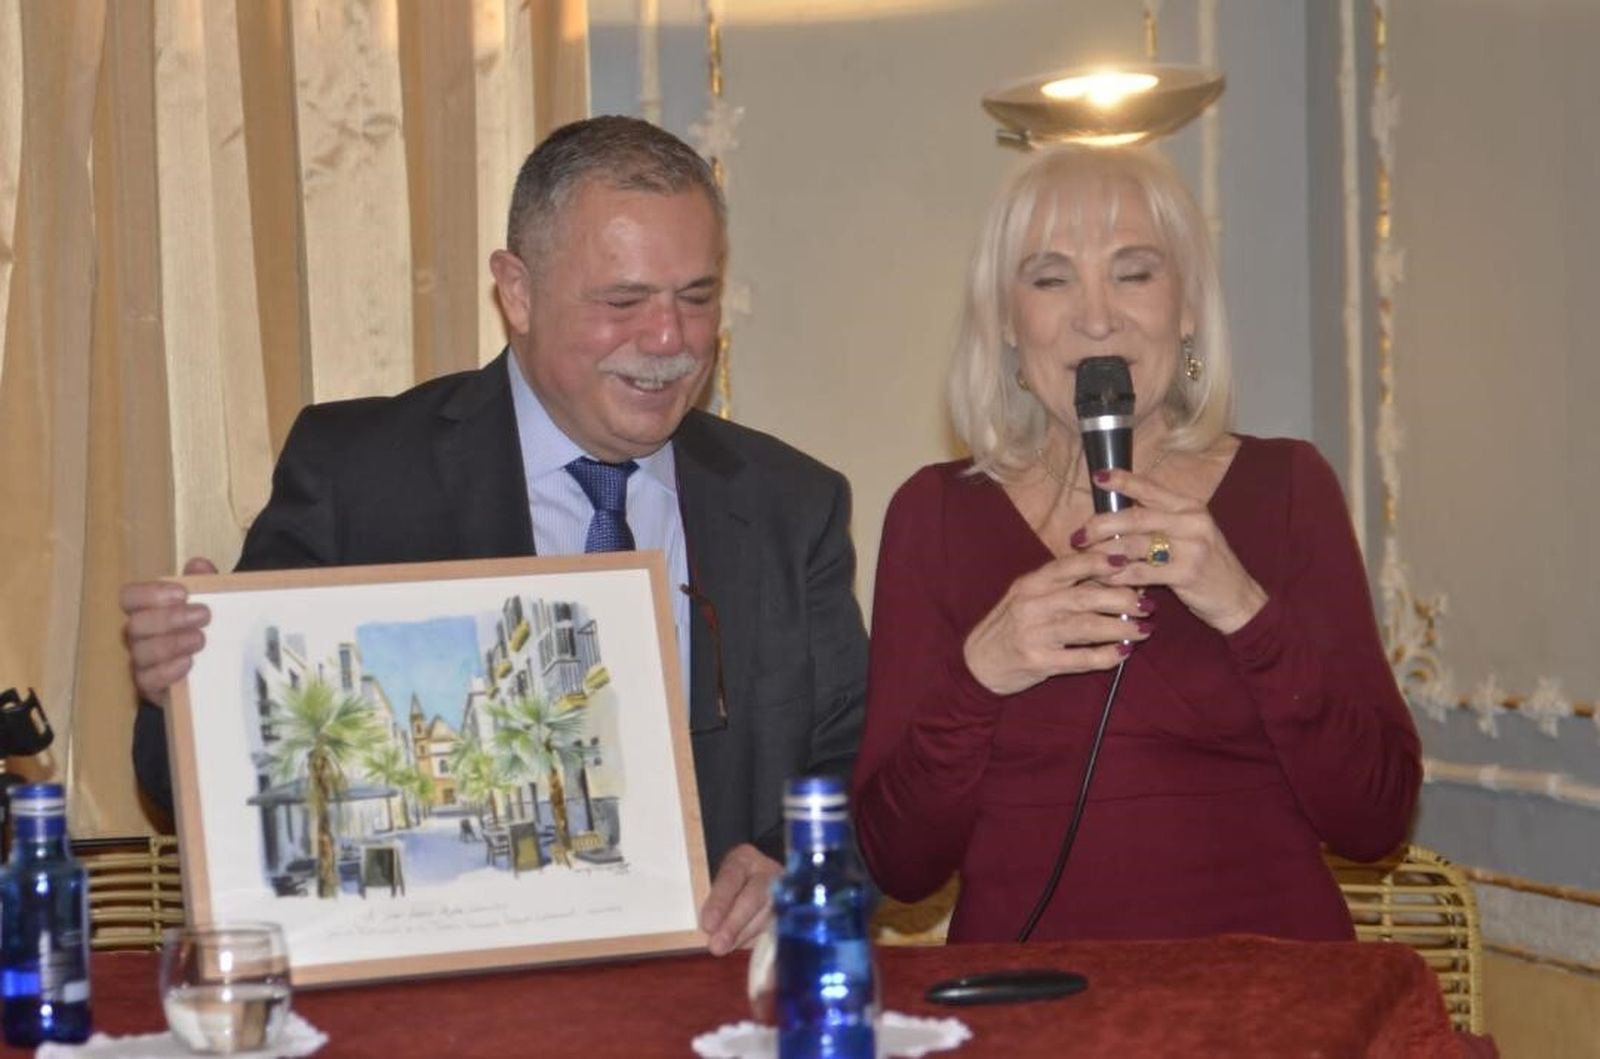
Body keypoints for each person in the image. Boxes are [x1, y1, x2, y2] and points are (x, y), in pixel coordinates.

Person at [121, 115, 868, 957]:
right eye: (623, 302)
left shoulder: (790, 504)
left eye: (695, 298)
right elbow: (200, 785)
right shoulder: (359, 475)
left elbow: (856, 764)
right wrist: (186, 682)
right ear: (517, 291)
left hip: (716, 999)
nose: (670, 340)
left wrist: (796, 863)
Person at [850, 146, 1421, 943]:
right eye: (1051, 278)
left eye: (1134, 272)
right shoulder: (934, 515)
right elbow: (897, 864)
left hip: (1271, 1006)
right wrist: (982, 673)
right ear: (1007, 324)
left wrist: (1245, 609)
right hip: (1030, 1011)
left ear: (1186, 308)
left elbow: (1377, 818)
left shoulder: (1288, 487)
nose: (1096, 316)